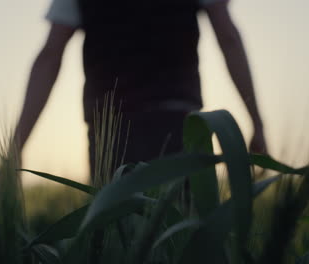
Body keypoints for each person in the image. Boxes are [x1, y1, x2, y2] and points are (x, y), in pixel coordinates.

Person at [14, 0, 267, 178]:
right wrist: (257, 123)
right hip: (179, 125)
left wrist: (16, 147)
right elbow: (229, 38)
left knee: (118, 243)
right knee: (183, 241)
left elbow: (49, 56)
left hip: (111, 134)